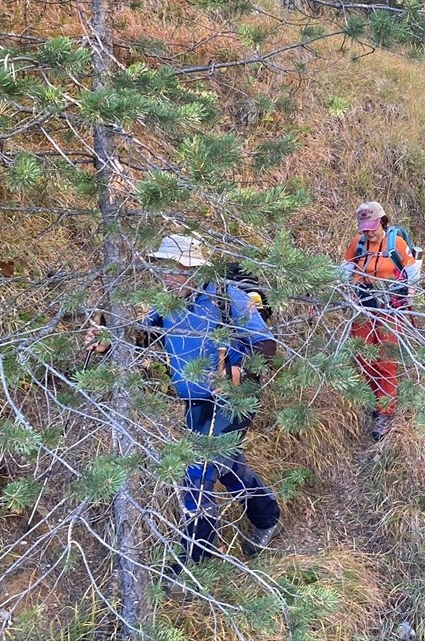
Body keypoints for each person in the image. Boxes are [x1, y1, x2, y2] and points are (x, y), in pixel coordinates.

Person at [87, 235, 281, 562]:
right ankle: (267, 517)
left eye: (173, 269)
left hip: (233, 400)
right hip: (195, 402)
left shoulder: (225, 296)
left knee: (197, 473)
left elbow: (266, 344)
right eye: (163, 268)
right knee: (228, 466)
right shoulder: (166, 304)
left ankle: (197, 560)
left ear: (193, 269)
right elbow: (141, 337)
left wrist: (236, 373)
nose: (166, 276)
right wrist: (107, 340)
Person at [341, 201, 421, 441]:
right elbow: (344, 269)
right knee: (364, 357)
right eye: (364, 227)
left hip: (389, 309)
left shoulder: (395, 243)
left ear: (382, 222)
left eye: (372, 226)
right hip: (364, 308)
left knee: (386, 361)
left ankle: (385, 412)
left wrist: (410, 293)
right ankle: (375, 400)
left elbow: (412, 271)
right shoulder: (358, 244)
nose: (369, 232)